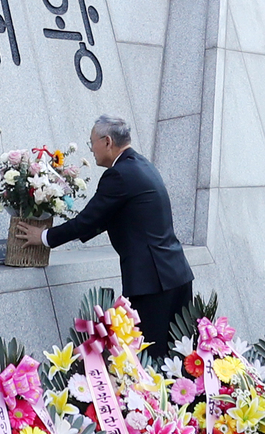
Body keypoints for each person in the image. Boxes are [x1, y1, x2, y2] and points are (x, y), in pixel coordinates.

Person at [21, 115, 193, 360]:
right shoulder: (141, 165)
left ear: (108, 141)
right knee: (178, 361)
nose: (91, 149)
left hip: (153, 284)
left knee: (149, 361)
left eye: (92, 143)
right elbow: (105, 219)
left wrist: (45, 237)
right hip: (174, 275)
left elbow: (87, 220)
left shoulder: (119, 174)